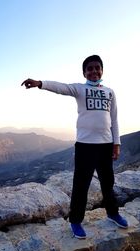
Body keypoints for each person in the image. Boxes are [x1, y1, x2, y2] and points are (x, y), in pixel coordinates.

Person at [21, 55, 128, 239]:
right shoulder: (80, 89)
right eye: (90, 68)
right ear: (84, 72)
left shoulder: (110, 92)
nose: (94, 71)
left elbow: (115, 119)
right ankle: (76, 221)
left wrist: (116, 144)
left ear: (102, 70)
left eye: (97, 68)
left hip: (105, 145)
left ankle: (112, 213)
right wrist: (40, 83)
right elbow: (61, 87)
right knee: (81, 185)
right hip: (85, 146)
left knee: (108, 182)